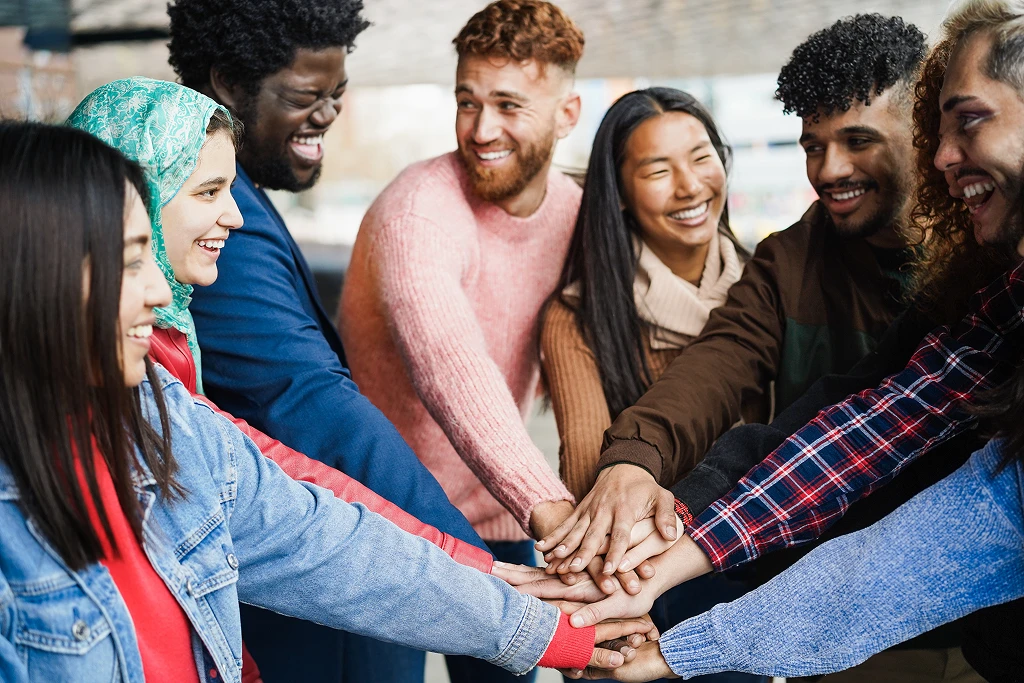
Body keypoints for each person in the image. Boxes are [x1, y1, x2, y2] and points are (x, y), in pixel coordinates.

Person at [0, 119, 653, 683]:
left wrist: (546, 628)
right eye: (130, 260)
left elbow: (327, 542)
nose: (156, 291)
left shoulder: (162, 418)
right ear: (39, 275)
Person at [525, 2, 1024, 677]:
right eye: (812, 146)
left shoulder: (979, 264)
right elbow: (844, 430)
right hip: (830, 618)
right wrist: (635, 474)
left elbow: (963, 517)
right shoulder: (797, 264)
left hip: (945, 620)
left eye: (856, 140)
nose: (828, 169)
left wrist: (689, 629)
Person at [66, 77, 502, 681]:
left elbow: (279, 484)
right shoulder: (136, 367)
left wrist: (478, 571)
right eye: (210, 190)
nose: (234, 215)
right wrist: (487, 575)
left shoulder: (166, 346)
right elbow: (301, 486)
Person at [164, 1, 491, 679]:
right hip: (310, 618)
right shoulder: (224, 228)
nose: (330, 113)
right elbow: (310, 405)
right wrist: (478, 565)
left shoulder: (238, 192)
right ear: (227, 82)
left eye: (338, 93)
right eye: (307, 95)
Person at [540, 87, 759, 683]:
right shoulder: (578, 316)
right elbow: (589, 475)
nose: (689, 186)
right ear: (619, 197)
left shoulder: (766, 285)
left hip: (763, 566)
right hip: (645, 585)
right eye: (658, 170)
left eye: (702, 156)